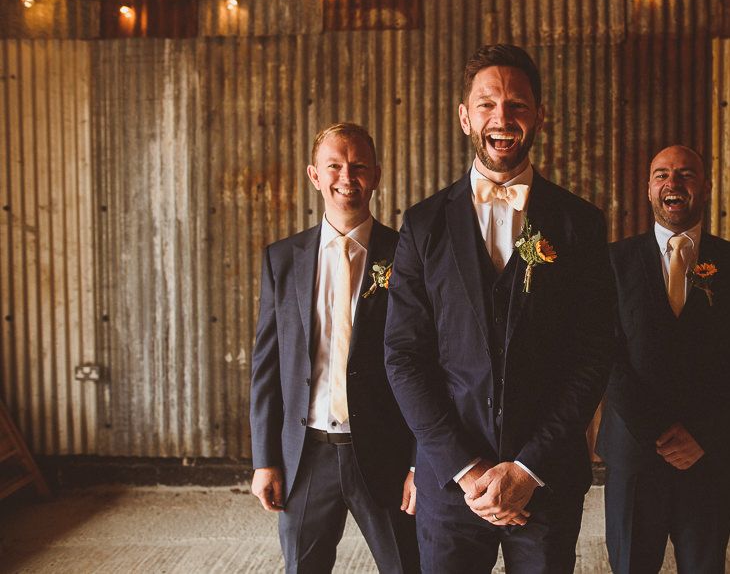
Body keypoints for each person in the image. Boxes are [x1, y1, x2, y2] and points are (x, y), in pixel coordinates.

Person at [384, 43, 615, 573]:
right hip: (450, 483)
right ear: (465, 117)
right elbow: (403, 355)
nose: (502, 118)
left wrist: (528, 468)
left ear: (539, 116)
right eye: (486, 104)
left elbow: (593, 353)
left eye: (517, 105)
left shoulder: (579, 224)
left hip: (546, 478)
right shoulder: (422, 225)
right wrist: (468, 470)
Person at [249, 123, 419, 573]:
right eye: (335, 166)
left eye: (359, 166)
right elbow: (266, 367)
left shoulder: (408, 256)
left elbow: (430, 366)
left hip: (385, 453)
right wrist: (265, 460)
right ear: (314, 175)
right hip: (306, 455)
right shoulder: (282, 260)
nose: (348, 176)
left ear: (377, 175)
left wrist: (421, 465)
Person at [597, 144, 730, 573]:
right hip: (634, 458)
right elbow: (602, 354)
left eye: (686, 174)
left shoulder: (728, 262)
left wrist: (704, 433)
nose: (673, 183)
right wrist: (658, 430)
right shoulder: (612, 263)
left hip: (709, 460)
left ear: (705, 186)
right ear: (649, 189)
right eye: (661, 174)